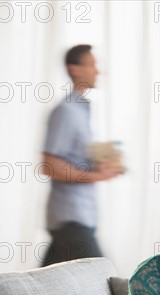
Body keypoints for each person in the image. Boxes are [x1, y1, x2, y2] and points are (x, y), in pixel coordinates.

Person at [41, 44, 122, 267]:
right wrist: (97, 176)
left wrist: (99, 166)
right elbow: (49, 165)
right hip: (71, 219)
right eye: (92, 65)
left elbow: (69, 159)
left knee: (45, 285)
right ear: (75, 69)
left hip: (75, 220)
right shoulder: (66, 111)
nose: (97, 71)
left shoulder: (81, 110)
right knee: (104, 278)